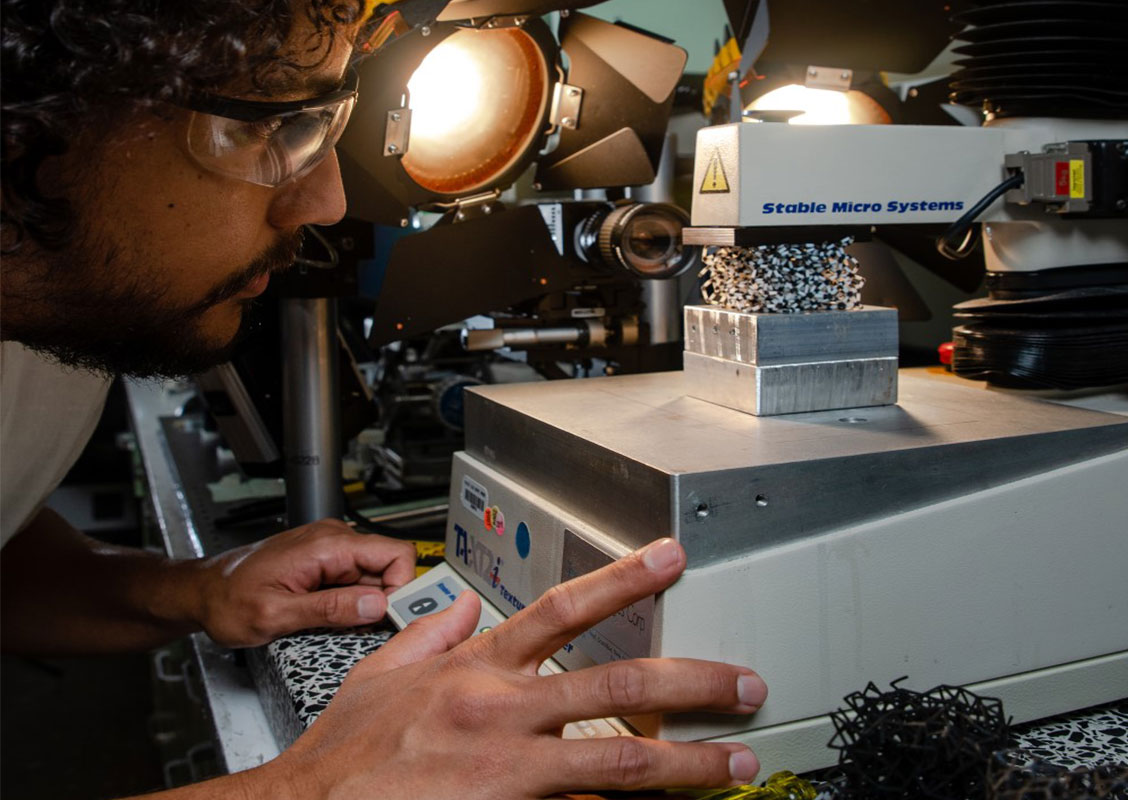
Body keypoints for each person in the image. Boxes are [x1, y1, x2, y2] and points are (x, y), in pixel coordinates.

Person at [0, 1, 768, 798]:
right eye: (267, 127)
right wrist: (311, 786)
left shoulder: (57, 320)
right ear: (28, 125)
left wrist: (194, 589)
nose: (327, 201)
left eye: (324, 125)